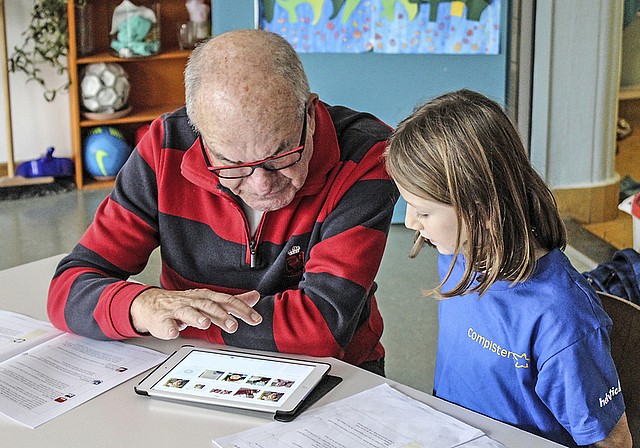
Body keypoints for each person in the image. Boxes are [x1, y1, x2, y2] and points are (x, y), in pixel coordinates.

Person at [47, 29, 398, 375]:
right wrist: (144, 305)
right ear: (198, 134)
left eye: (281, 154)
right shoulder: (165, 147)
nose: (262, 184)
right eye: (233, 164)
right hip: (193, 366)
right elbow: (68, 290)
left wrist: (178, 319)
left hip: (335, 373)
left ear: (309, 112)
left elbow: (320, 329)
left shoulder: (366, 155)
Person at [384, 89, 632, 447]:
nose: (409, 223)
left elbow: (613, 442)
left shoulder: (562, 319)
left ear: (482, 210)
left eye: (422, 211)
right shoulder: (458, 258)